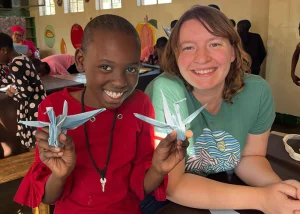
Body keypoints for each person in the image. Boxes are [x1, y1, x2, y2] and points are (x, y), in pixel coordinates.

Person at [14, 14, 189, 214]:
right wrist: (60, 174)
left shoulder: (140, 105)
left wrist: (158, 169)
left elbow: (140, 189)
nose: (120, 81)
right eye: (106, 67)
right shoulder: (54, 107)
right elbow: (48, 197)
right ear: (81, 60)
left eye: (131, 69)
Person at [144, 5, 300, 214]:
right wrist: (263, 199)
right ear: (175, 55)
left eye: (214, 44)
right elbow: (173, 186)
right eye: (188, 47)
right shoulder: (166, 91)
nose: (202, 58)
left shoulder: (257, 91)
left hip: (222, 185)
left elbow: (250, 158)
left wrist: (281, 191)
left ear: (233, 51)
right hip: (167, 202)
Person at [0, 33, 46, 148]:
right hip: (39, 103)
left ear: (4, 51)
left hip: (31, 107)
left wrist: (12, 93)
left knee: (34, 139)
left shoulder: (14, 66)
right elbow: (13, 80)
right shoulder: (22, 58)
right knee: (41, 137)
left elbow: (26, 92)